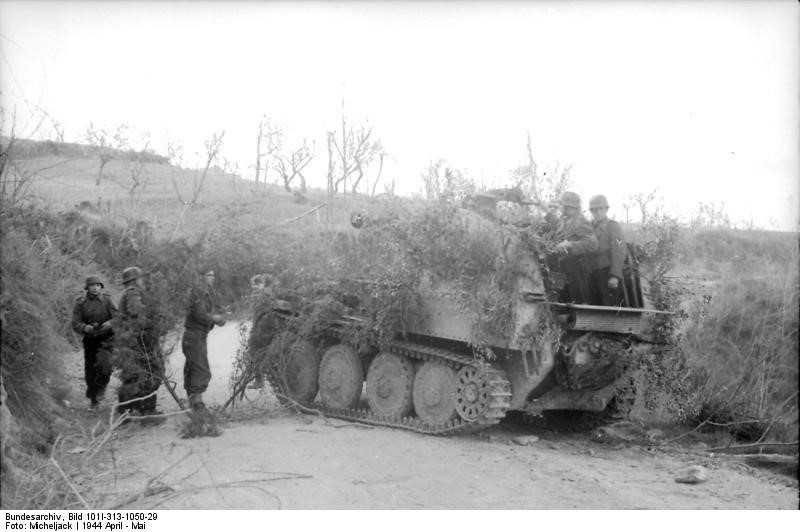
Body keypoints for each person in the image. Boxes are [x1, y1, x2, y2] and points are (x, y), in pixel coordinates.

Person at [116, 266, 163, 421]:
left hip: (133, 342)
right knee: (150, 373)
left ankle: (127, 411)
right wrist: (152, 322)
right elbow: (138, 316)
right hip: (138, 342)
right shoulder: (132, 293)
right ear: (135, 280)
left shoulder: (129, 293)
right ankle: (146, 411)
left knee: (135, 376)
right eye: (141, 278)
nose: (143, 281)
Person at [182, 268, 226, 412]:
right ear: (201, 277)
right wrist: (215, 318)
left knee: (193, 367)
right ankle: (197, 404)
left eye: (213, 275)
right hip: (194, 335)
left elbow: (216, 311)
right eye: (209, 275)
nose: (212, 278)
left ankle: (193, 401)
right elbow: (200, 314)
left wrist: (220, 317)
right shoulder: (198, 291)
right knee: (200, 369)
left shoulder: (208, 293)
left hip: (198, 335)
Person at [543, 191, 599, 304]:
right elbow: (556, 225)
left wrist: (569, 245)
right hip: (566, 267)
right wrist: (547, 211)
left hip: (579, 268)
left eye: (564, 206)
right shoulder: (566, 220)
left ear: (572, 207)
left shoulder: (580, 221)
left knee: (580, 301)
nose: (563, 209)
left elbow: (593, 244)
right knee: (567, 301)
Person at [71, 275, 116, 409]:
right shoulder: (80, 303)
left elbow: (118, 317)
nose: (95, 288)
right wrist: (86, 327)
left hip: (107, 338)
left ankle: (102, 387)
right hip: (90, 340)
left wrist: (110, 323)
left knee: (106, 366)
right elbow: (75, 323)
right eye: (92, 285)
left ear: (100, 287)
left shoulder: (107, 300)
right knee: (90, 369)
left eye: (97, 285)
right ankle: (93, 398)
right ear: (87, 288)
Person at [588, 195, 626, 306]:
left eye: (600, 209)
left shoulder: (612, 226)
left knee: (608, 308)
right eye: (594, 210)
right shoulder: (589, 227)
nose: (598, 212)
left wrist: (615, 275)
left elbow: (618, 251)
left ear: (606, 209)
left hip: (607, 273)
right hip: (592, 273)